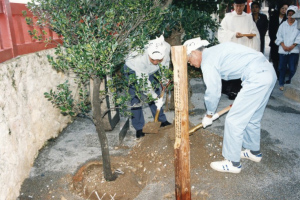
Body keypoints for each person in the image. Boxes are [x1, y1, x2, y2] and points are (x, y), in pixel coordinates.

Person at [184, 38, 276, 173]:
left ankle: (232, 163)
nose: (190, 64)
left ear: (193, 53)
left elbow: (213, 91)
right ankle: (253, 151)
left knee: (234, 120)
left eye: (188, 60)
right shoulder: (215, 51)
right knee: (253, 117)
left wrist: (209, 114)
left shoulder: (208, 61)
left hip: (256, 77)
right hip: (268, 72)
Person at [124, 35, 172, 138]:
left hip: (151, 71)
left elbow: (165, 63)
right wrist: (154, 97)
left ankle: (161, 120)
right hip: (133, 69)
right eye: (153, 59)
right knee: (135, 97)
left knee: (157, 92)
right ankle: (139, 127)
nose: (155, 62)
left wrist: (164, 77)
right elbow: (144, 84)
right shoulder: (138, 57)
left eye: (158, 60)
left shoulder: (166, 47)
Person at [218, 0, 261, 100]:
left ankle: (236, 90)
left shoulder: (248, 17)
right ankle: (226, 89)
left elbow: (254, 31)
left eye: (241, 6)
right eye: (237, 6)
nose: (239, 8)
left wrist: (251, 36)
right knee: (231, 69)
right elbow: (221, 32)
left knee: (240, 70)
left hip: (244, 48)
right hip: (232, 49)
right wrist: (233, 34)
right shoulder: (228, 17)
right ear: (233, 5)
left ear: (244, 6)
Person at [276, 5, 300, 91]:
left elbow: (298, 37)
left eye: (292, 14)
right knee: (282, 67)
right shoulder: (283, 25)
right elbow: (279, 36)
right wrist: (283, 46)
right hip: (283, 50)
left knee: (292, 68)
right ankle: (281, 83)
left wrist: (292, 46)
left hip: (294, 50)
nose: (290, 16)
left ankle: (290, 83)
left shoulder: (297, 25)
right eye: (289, 14)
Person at [269, 3, 289, 78]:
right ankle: (275, 72)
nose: (284, 10)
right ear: (279, 9)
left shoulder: (288, 19)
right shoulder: (273, 17)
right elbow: (270, 30)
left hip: (284, 43)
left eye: (286, 9)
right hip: (274, 41)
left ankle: (281, 73)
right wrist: (273, 39)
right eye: (282, 8)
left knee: (282, 58)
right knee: (275, 58)